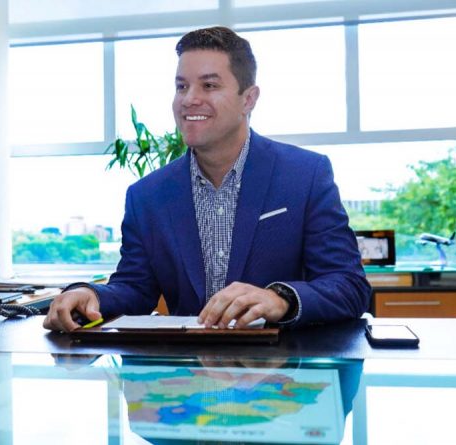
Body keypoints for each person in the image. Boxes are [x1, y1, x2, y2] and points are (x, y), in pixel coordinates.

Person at [44, 26, 370, 332]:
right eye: (181, 86)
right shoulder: (147, 195)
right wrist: (90, 295)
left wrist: (280, 298)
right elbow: (134, 288)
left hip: (281, 367)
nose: (189, 99)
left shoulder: (305, 175)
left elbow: (349, 286)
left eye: (209, 85)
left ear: (248, 99)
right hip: (185, 368)